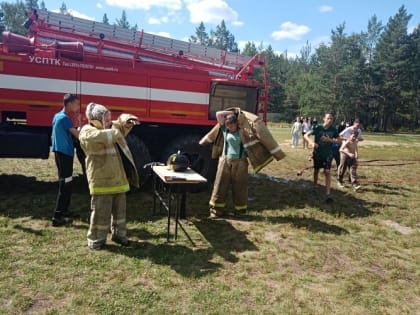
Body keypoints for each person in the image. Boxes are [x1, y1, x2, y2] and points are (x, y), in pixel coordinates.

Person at [79, 103, 139, 250]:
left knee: (120, 214)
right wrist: (115, 131)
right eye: (105, 118)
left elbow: (120, 123)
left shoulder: (111, 129)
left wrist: (128, 119)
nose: (109, 121)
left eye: (109, 118)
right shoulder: (87, 131)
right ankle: (96, 240)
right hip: (101, 183)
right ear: (97, 119)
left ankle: (120, 235)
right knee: (101, 214)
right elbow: (99, 137)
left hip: (118, 181)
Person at [209, 110, 248, 218]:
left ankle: (240, 212)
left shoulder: (243, 131)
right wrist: (233, 111)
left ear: (236, 123)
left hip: (241, 163)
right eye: (227, 125)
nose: (229, 127)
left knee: (240, 187)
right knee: (220, 185)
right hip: (225, 161)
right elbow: (218, 114)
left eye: (231, 125)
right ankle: (216, 211)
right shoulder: (224, 130)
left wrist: (238, 114)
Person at [51, 93, 81, 227]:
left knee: (67, 182)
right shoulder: (64, 118)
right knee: (65, 184)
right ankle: (57, 216)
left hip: (59, 153)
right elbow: (78, 135)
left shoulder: (57, 116)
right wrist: (80, 122)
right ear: (69, 104)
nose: (78, 106)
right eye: (76, 104)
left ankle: (65, 211)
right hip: (65, 154)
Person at [304, 112, 342, 202]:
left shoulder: (334, 130)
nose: (330, 120)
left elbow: (339, 141)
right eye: (328, 118)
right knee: (316, 170)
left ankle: (328, 194)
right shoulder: (317, 127)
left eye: (331, 119)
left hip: (328, 154)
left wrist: (330, 140)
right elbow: (306, 135)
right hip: (318, 153)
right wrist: (311, 143)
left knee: (327, 172)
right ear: (324, 119)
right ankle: (315, 185)